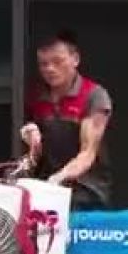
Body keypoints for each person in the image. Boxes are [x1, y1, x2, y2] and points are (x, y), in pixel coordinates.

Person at [20, 29, 112, 209]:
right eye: (43, 64)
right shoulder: (35, 96)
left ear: (75, 59)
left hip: (87, 191)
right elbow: (33, 148)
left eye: (58, 62)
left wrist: (58, 178)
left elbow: (88, 153)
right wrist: (30, 135)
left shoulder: (94, 95)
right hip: (45, 190)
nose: (50, 69)